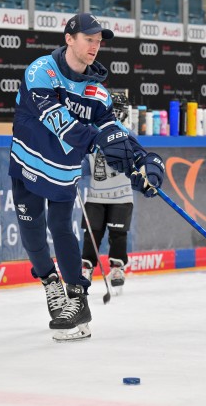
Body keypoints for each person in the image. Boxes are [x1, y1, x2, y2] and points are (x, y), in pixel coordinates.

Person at [9, 13, 165, 341]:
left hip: (63, 171)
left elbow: (114, 132)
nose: (95, 46)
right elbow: (59, 122)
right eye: (88, 39)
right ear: (69, 38)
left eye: (98, 41)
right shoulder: (41, 71)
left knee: (62, 228)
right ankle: (50, 282)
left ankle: (78, 301)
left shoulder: (98, 93)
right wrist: (99, 141)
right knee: (32, 235)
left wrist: (142, 161)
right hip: (25, 163)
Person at [81, 92, 134, 288]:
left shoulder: (129, 136)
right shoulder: (92, 135)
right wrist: (73, 170)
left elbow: (137, 161)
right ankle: (86, 267)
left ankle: (117, 267)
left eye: (119, 111)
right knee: (91, 233)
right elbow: (86, 165)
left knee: (118, 234)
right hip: (96, 195)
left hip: (121, 196)